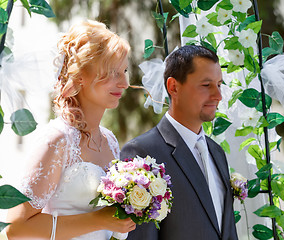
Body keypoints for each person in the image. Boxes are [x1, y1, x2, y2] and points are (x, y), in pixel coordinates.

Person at [5, 20, 136, 240]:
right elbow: (15, 227)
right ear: (80, 75)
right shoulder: (58, 139)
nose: (123, 83)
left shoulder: (110, 141)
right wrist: (100, 220)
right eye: (112, 72)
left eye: (124, 71)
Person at [120, 45, 238, 240]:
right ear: (173, 87)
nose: (218, 96)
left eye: (219, 84)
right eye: (206, 85)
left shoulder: (216, 152)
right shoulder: (143, 153)